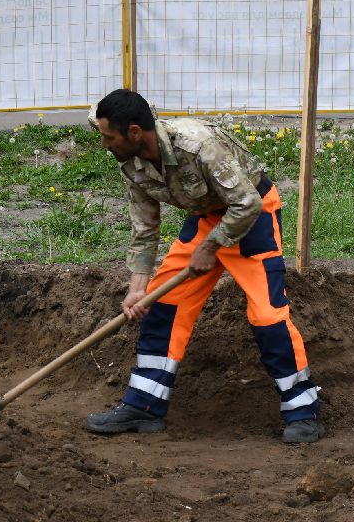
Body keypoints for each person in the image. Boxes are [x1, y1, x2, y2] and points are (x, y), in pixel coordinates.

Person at [83, 89, 323, 444]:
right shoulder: (130, 163)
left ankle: (303, 411)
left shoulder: (197, 144)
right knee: (161, 304)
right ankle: (144, 406)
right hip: (204, 218)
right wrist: (137, 288)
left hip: (251, 216)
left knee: (268, 316)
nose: (104, 144)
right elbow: (145, 230)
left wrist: (211, 246)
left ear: (134, 132)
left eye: (108, 136)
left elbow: (246, 202)